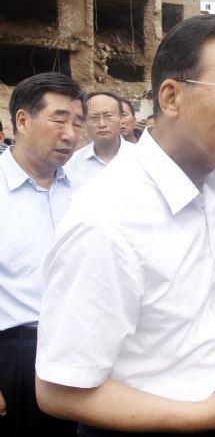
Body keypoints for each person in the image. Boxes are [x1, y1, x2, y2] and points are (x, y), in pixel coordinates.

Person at [34, 13, 215, 436]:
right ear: (170, 97)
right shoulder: (109, 218)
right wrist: (206, 416)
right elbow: (59, 390)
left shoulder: (212, 186)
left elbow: (176, 316)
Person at [0, 72, 86, 437]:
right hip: (15, 355)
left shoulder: (85, 194)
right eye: (59, 120)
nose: (70, 134)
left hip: (79, 352)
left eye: (77, 123)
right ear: (22, 120)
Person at [66, 91, 134, 187]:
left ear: (120, 118)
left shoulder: (141, 157)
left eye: (108, 116)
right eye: (94, 117)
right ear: (84, 122)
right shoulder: (73, 163)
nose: (102, 124)